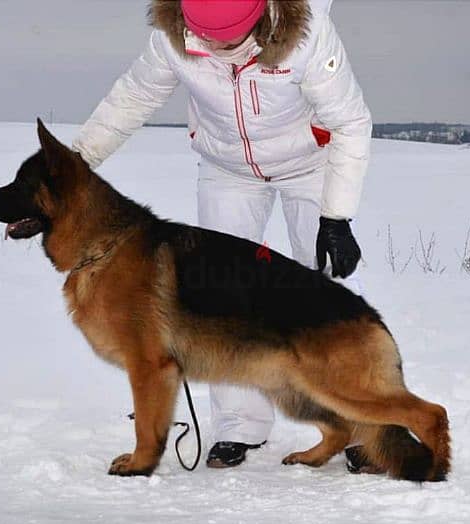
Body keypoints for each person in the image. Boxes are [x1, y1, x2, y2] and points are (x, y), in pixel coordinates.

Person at [72, 0, 374, 472]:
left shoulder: (307, 34)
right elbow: (132, 98)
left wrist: (337, 217)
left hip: (310, 165)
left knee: (325, 293)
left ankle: (358, 423)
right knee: (218, 297)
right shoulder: (174, 37)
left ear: (258, 19)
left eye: (225, 39)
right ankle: (239, 425)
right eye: (202, 37)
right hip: (228, 170)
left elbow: (351, 122)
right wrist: (76, 161)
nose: (210, 48)